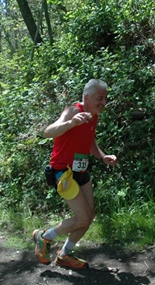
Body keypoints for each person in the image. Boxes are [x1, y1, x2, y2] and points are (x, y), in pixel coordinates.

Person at [33, 79, 117, 269]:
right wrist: (70, 123)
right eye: (99, 98)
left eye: (105, 98)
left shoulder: (93, 116)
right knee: (83, 218)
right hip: (62, 172)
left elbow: (90, 141)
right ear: (87, 97)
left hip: (80, 170)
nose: (103, 103)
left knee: (90, 215)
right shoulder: (73, 111)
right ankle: (44, 237)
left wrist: (103, 157)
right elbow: (47, 132)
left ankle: (64, 255)